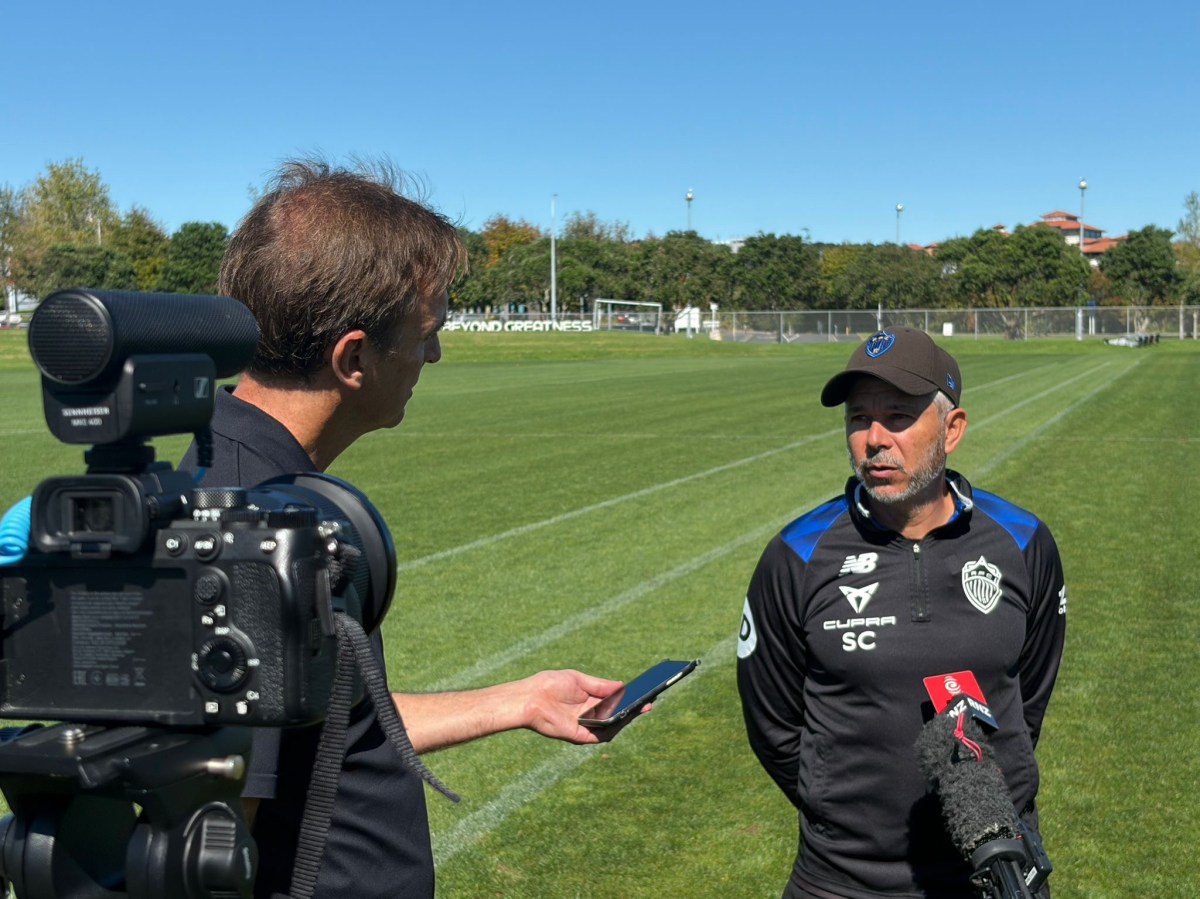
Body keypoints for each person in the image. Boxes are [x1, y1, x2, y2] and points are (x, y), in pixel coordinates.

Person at [180, 159, 626, 899]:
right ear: (354, 358)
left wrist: (519, 700)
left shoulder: (248, 479)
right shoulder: (252, 533)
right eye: (428, 332)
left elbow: (322, 729)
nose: (436, 354)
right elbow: (213, 845)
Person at [736, 327, 1066, 898]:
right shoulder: (797, 554)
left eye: (897, 415)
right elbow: (775, 726)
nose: (874, 438)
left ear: (952, 429)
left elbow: (1027, 701)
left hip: (997, 873)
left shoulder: (1023, 541)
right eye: (858, 418)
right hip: (841, 882)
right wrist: (842, 810)